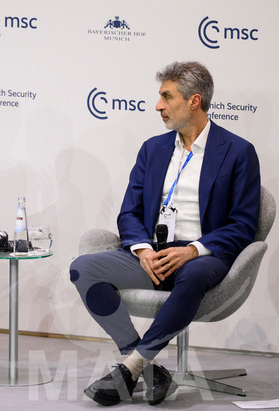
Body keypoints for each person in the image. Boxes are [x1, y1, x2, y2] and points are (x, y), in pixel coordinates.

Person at [69, 61, 260, 406]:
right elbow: (129, 212)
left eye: (167, 97)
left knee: (193, 275)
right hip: (151, 254)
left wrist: (194, 250)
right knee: (83, 268)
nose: (158, 105)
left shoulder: (237, 152)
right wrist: (143, 250)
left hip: (201, 257)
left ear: (194, 101)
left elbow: (244, 224)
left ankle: (130, 368)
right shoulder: (153, 149)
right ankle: (149, 367)